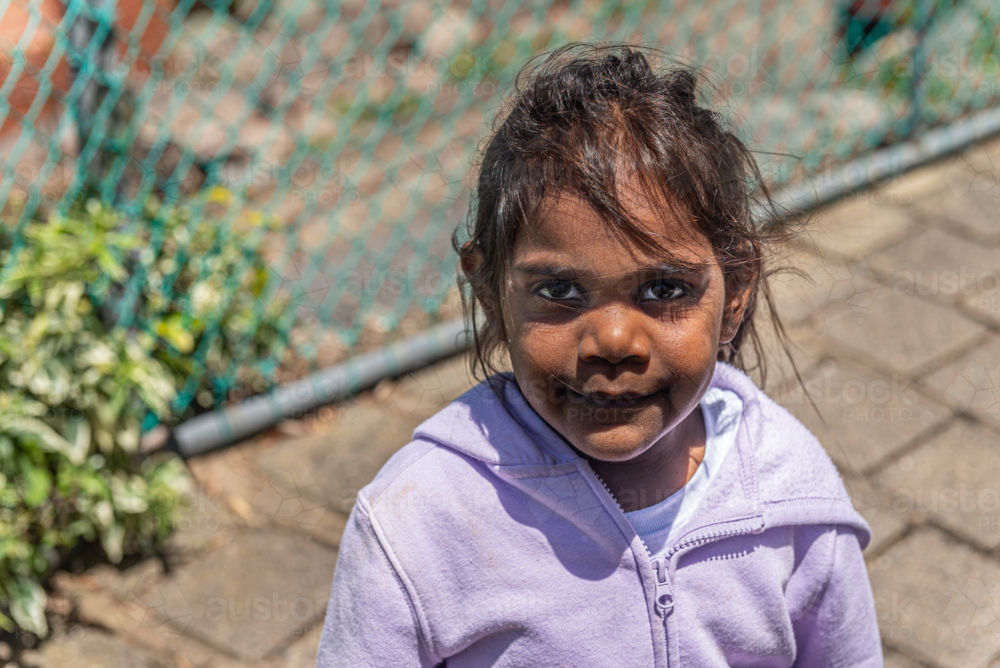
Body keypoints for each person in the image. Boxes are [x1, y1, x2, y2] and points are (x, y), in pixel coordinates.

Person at [316, 44, 882, 667]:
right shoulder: (418, 524)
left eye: (664, 290)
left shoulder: (791, 499)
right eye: (559, 291)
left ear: (737, 291)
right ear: (489, 293)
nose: (614, 342)